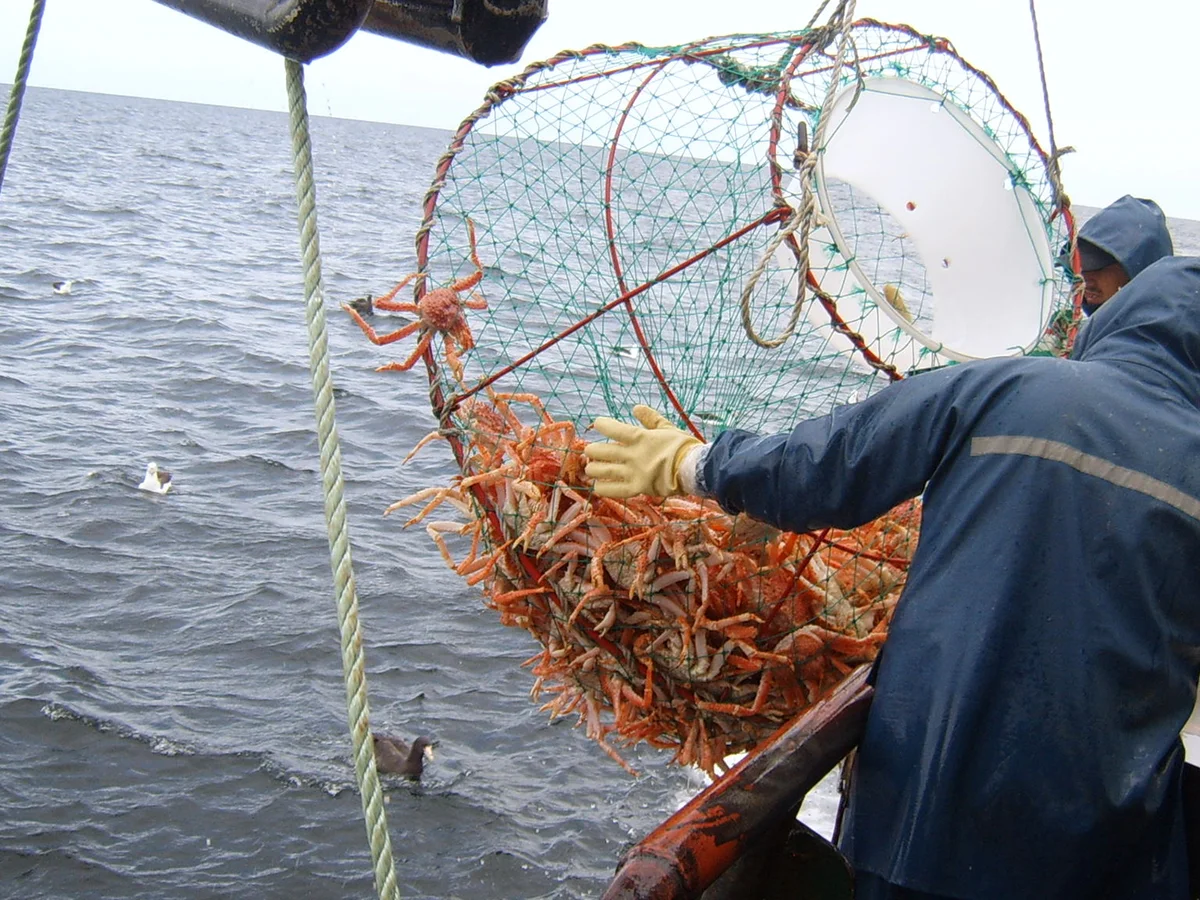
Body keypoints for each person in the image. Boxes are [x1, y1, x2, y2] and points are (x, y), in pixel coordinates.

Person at [583, 256, 1200, 899]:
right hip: (1103, 844)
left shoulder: (1005, 387)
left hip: (923, 810)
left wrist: (695, 463)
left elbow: (827, 465)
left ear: (1117, 321)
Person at [1070, 194, 1173, 316]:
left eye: (1095, 264)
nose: (1084, 278)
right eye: (1078, 265)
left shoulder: (1160, 333)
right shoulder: (1101, 329)